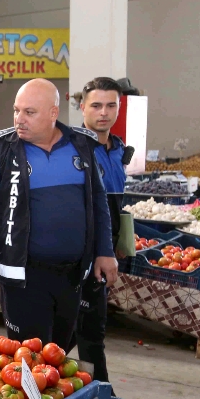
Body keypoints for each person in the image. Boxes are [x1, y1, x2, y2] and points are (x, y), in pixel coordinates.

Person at [0, 79, 117, 350]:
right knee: (29, 357)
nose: (19, 119)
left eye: (29, 112)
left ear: (53, 113)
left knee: (59, 352)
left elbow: (98, 201)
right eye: (16, 110)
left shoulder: (81, 147)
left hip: (72, 276)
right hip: (23, 279)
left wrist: (105, 251)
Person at [72, 77, 133, 383]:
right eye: (96, 105)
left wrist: (119, 242)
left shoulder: (118, 150)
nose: (103, 112)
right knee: (90, 331)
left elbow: (115, 204)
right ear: (82, 107)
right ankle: (101, 395)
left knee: (77, 330)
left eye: (111, 105)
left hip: (105, 249)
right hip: (79, 252)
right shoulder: (71, 150)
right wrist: (98, 251)